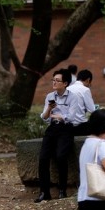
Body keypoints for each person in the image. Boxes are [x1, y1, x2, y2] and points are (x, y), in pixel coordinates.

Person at [35, 69, 81, 202]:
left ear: (65, 83)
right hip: (52, 128)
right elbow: (44, 117)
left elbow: (71, 117)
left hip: (66, 129)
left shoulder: (73, 97)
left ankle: (62, 190)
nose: (54, 83)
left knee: (61, 156)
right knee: (43, 158)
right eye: (53, 80)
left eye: (57, 80)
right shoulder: (50, 96)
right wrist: (50, 109)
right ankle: (44, 192)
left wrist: (58, 116)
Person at [66, 69, 95, 136]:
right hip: (80, 127)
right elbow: (92, 110)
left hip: (67, 127)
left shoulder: (67, 88)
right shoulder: (85, 90)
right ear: (88, 80)